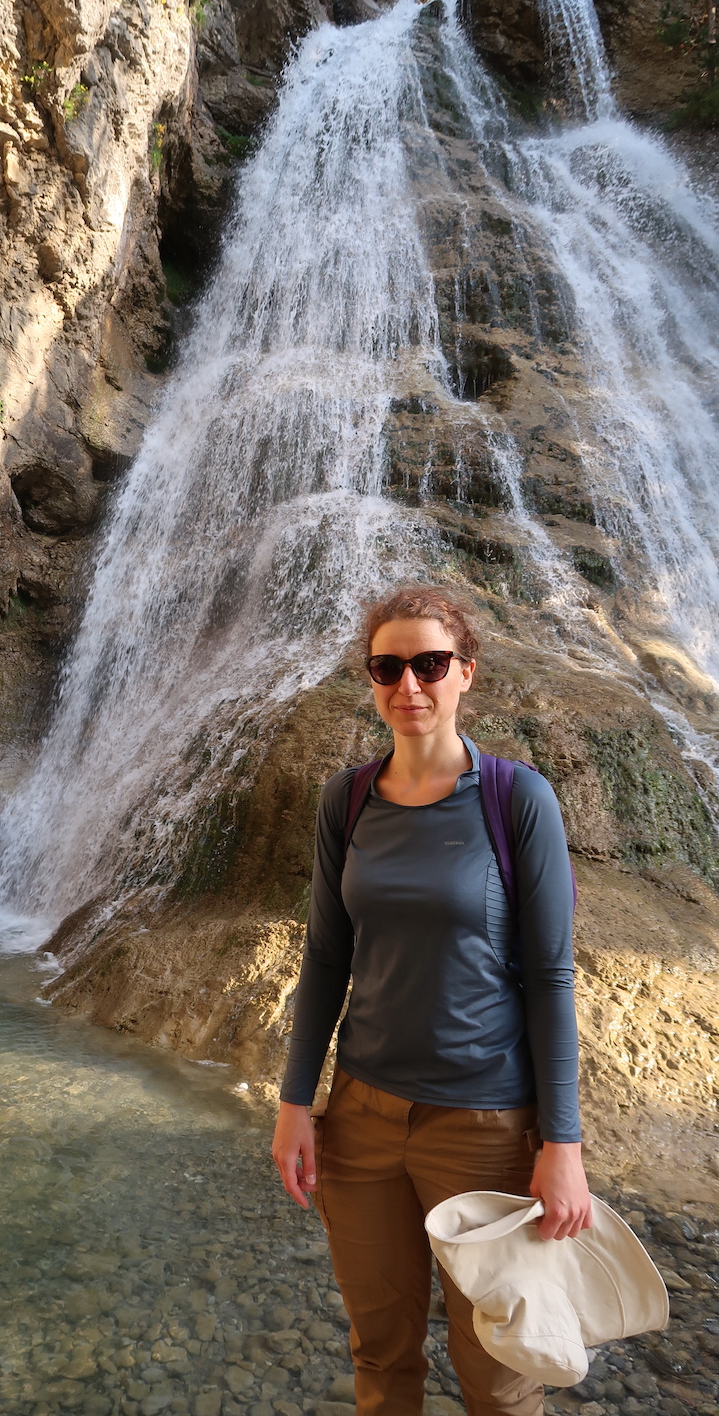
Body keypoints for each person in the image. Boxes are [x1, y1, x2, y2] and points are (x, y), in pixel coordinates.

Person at [271, 583, 591, 1416]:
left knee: (501, 1366)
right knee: (380, 1351)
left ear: (465, 675)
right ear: (370, 679)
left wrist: (562, 1143)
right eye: (387, 667)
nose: (408, 685)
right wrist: (295, 1102)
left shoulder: (517, 800)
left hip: (484, 1126)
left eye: (429, 664)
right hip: (362, 1121)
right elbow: (327, 957)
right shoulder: (346, 800)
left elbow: (552, 977)